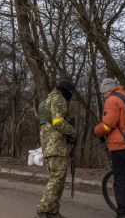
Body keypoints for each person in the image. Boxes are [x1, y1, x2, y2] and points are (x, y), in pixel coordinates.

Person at [94, 78, 125, 218]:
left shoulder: (112, 101)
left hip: (120, 146)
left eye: (103, 93)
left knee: (120, 180)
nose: (103, 96)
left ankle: (122, 214)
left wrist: (96, 130)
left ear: (108, 90)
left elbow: (108, 125)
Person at [36, 79, 76, 218]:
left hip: (48, 144)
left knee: (58, 178)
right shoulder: (58, 99)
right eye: (70, 92)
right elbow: (58, 122)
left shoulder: (47, 100)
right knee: (57, 178)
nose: (71, 95)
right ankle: (43, 210)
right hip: (56, 145)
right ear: (65, 91)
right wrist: (72, 132)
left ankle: (52, 211)